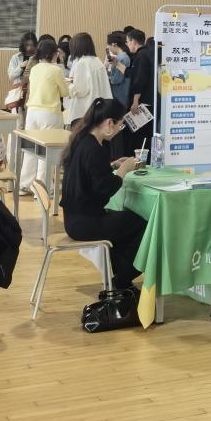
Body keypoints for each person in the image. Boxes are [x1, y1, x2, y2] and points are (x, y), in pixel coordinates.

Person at [59, 98, 147, 292]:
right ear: (109, 123)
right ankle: (122, 278)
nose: (118, 130)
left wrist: (112, 165)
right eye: (120, 125)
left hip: (74, 218)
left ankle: (120, 276)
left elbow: (90, 174)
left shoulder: (82, 140)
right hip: (85, 222)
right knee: (142, 226)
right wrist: (124, 169)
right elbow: (106, 188)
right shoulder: (94, 149)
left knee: (127, 222)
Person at [19, 39, 68, 193]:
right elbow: (65, 91)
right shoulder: (56, 70)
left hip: (32, 112)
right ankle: (42, 188)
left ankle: (25, 184)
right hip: (49, 113)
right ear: (53, 54)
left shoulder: (35, 68)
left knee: (30, 150)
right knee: (46, 151)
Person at [64, 32, 112, 126]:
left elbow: (81, 91)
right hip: (99, 109)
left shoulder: (82, 63)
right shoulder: (97, 61)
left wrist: (69, 85)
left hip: (84, 111)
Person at [125, 29, 155, 152]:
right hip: (150, 101)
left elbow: (139, 80)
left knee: (140, 136)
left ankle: (140, 159)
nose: (127, 45)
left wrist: (135, 101)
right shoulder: (149, 53)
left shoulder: (141, 56)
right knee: (145, 135)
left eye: (127, 42)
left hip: (143, 102)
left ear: (133, 41)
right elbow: (133, 74)